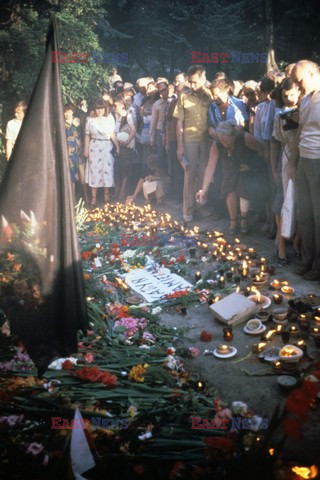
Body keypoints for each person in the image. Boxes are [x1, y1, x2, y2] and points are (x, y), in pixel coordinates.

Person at [196, 120, 264, 235]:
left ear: (233, 136)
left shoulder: (245, 138)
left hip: (245, 161)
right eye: (221, 140)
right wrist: (204, 189)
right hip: (229, 163)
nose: (224, 143)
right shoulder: (217, 144)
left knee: (243, 189)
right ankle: (233, 221)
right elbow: (210, 167)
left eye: (226, 141)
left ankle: (243, 220)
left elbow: (262, 149)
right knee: (229, 188)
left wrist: (252, 166)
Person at [291, 60, 320, 281]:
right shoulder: (305, 100)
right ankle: (308, 259)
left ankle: (319, 265)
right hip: (303, 160)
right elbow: (299, 132)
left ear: (312, 73)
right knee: (306, 214)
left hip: (318, 161)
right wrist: (293, 162)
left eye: (300, 81)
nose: (298, 87)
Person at [173, 65, 212, 223]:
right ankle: (188, 211)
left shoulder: (210, 95)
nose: (192, 85)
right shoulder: (183, 96)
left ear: (203, 79)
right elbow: (179, 123)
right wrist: (180, 146)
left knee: (204, 175)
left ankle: (201, 206)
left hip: (206, 140)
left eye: (195, 82)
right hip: (189, 140)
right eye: (190, 82)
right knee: (189, 175)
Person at [270, 78, 301, 263]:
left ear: (299, 92)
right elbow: (278, 141)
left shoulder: (305, 111)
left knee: (303, 204)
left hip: (306, 157)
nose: (289, 98)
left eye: (292, 94)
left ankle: (297, 242)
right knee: (283, 200)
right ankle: (281, 245)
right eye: (285, 95)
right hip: (288, 158)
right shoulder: (279, 115)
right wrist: (280, 166)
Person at [84, 99, 119, 207]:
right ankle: (93, 198)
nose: (99, 110)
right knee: (94, 171)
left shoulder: (109, 118)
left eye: (102, 108)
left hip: (107, 147)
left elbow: (112, 133)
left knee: (107, 171)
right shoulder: (90, 119)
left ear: (105, 108)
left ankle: (106, 195)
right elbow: (87, 135)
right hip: (94, 147)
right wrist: (86, 149)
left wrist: (117, 146)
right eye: (97, 108)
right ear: (94, 109)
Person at [64, 103, 88, 202]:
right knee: (72, 175)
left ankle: (87, 196)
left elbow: (84, 133)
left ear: (72, 112)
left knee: (83, 176)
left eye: (68, 112)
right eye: (65, 112)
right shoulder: (62, 123)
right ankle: (72, 198)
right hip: (69, 152)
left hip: (79, 150)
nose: (66, 114)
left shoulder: (78, 121)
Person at [114, 98, 136, 200]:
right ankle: (117, 188)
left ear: (121, 106)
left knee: (125, 168)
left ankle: (122, 190)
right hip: (115, 145)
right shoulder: (114, 116)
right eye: (114, 106)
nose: (114, 108)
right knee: (116, 168)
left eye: (116, 106)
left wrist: (128, 141)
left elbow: (133, 130)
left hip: (125, 146)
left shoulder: (127, 115)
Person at [150, 79, 169, 173]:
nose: (164, 92)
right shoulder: (157, 104)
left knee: (170, 156)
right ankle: (161, 176)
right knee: (160, 156)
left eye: (165, 89)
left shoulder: (174, 100)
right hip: (159, 132)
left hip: (170, 132)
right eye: (161, 91)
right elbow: (153, 122)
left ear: (168, 88)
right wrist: (152, 137)